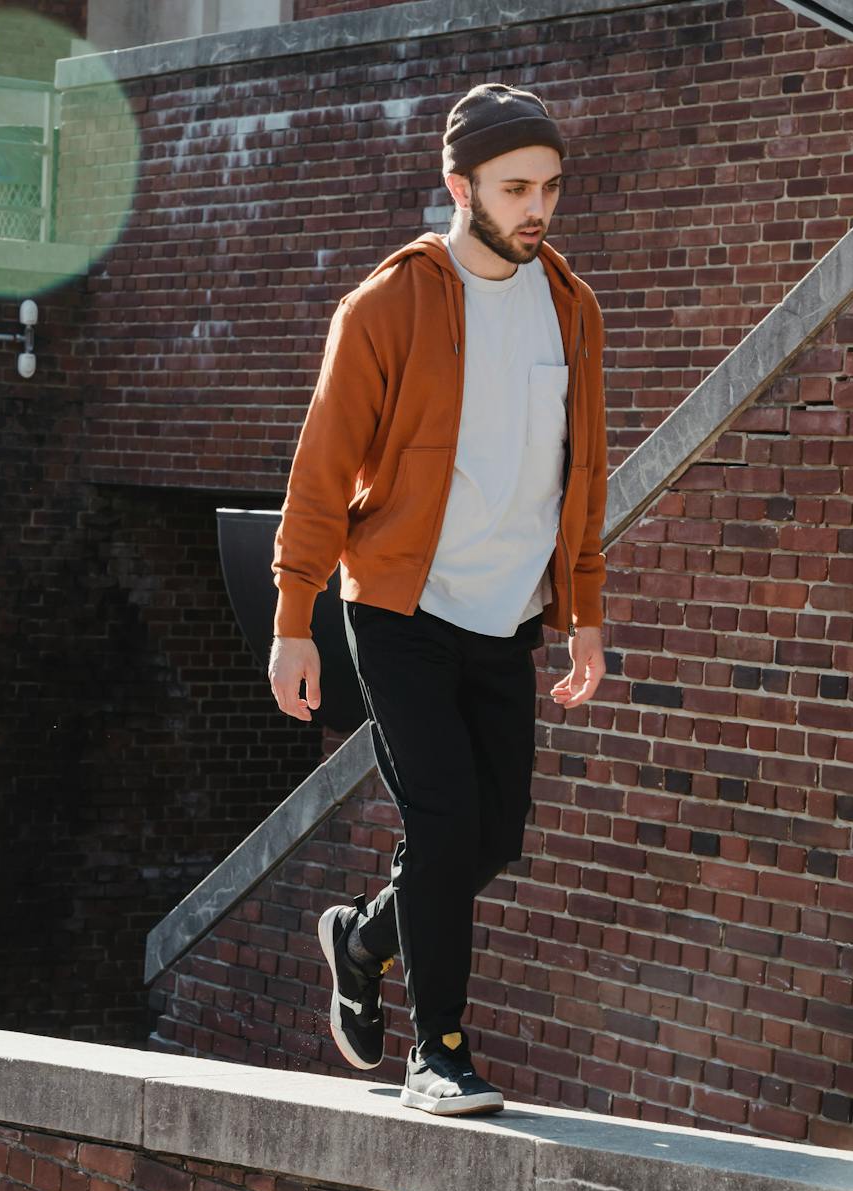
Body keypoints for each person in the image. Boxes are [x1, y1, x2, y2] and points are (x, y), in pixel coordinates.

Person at [267, 84, 609, 1116]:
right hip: (401, 611)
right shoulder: (387, 306)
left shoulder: (572, 305)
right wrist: (294, 619)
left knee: (493, 836)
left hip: (505, 618)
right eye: (515, 187)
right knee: (446, 818)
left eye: (549, 186)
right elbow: (321, 473)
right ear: (459, 186)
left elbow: (581, 471)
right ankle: (440, 1051)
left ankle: (359, 937)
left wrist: (584, 611)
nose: (536, 206)